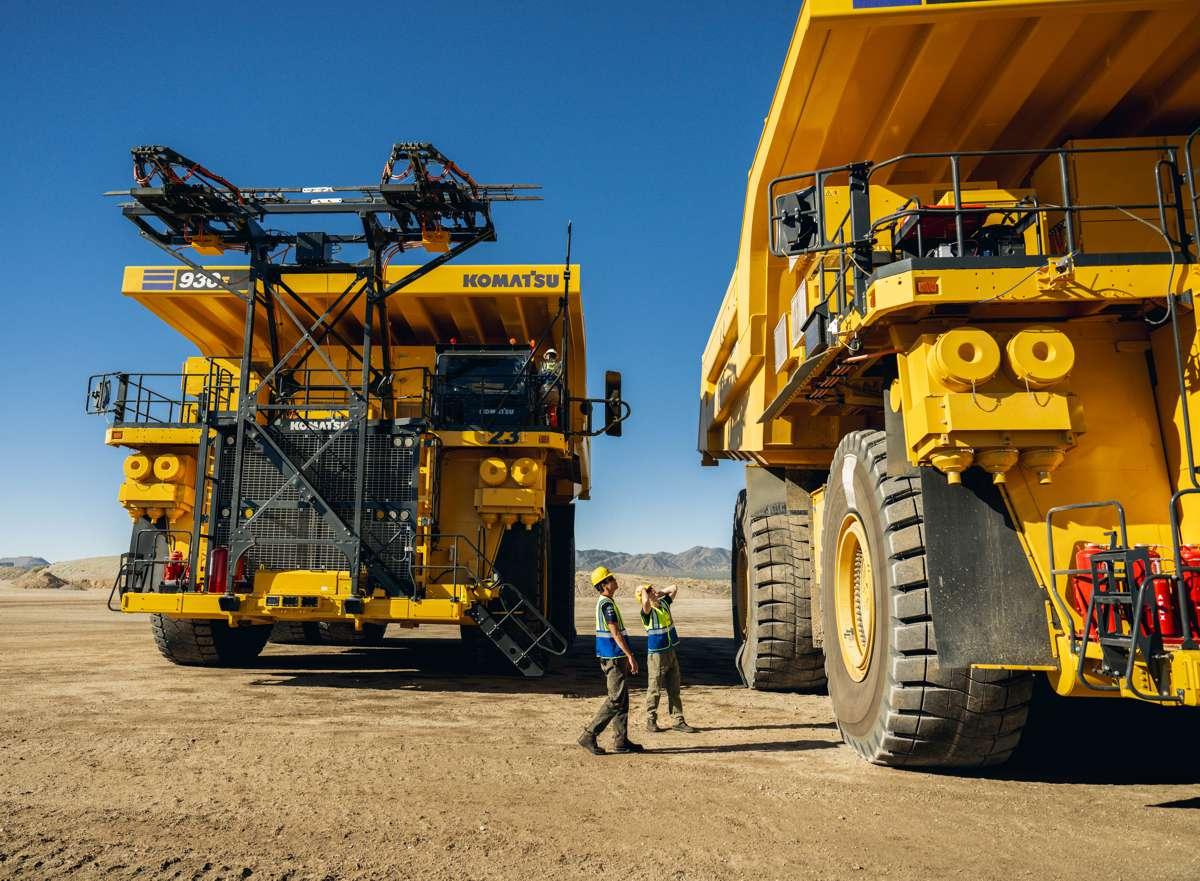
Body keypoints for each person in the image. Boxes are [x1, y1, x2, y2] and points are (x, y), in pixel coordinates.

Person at [578, 566, 645, 755]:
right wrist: (630, 655)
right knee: (616, 699)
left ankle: (621, 741)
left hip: (615, 655)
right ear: (604, 585)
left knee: (622, 700)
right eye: (611, 578)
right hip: (613, 656)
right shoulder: (606, 605)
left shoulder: (607, 602)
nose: (615, 580)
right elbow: (614, 632)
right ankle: (589, 735)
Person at [637, 584, 697, 734]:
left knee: (674, 688)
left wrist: (659, 593)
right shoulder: (646, 612)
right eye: (649, 592)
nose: (652, 592)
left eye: (652, 590)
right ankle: (651, 719)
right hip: (656, 655)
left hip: (670, 651)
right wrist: (643, 590)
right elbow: (645, 603)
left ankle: (678, 720)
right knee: (654, 689)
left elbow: (675, 588)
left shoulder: (663, 603)